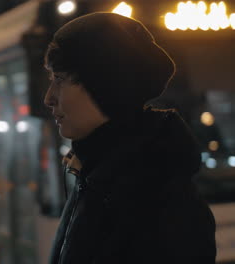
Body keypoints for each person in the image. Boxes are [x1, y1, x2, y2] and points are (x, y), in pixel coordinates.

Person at [43, 13, 216, 263]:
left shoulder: (162, 206)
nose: (48, 98)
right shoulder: (97, 175)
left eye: (59, 79)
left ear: (106, 86)